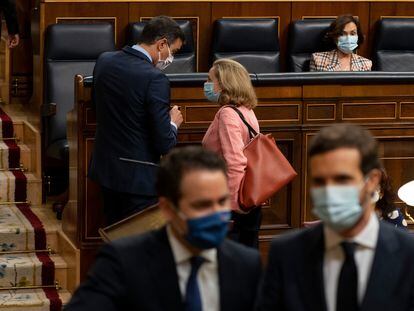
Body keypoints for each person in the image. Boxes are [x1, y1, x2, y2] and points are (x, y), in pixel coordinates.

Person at [64, 146, 262, 311]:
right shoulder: (123, 261)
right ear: (167, 209)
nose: (216, 214)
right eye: (202, 205)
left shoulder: (246, 265)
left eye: (222, 202)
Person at [258, 124, 414, 311]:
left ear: (372, 180)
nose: (329, 191)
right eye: (319, 181)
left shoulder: (408, 254)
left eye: (342, 179)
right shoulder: (286, 253)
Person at [88, 16, 184, 225]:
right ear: (161, 44)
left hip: (105, 171)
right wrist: (173, 123)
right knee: (137, 247)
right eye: (173, 52)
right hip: (138, 181)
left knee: (114, 237)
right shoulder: (155, 79)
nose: (171, 58)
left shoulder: (105, 60)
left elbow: (96, 108)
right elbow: (164, 142)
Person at [202, 58, 261, 248]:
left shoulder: (228, 113)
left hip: (234, 201)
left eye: (210, 80)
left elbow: (235, 162)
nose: (206, 84)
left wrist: (232, 207)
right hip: (249, 196)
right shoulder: (246, 110)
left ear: (224, 83)